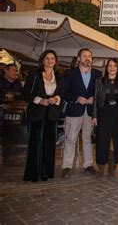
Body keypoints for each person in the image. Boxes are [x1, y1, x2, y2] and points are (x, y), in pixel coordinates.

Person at [22, 50, 63, 182]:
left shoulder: (59, 75)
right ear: (42, 60)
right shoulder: (34, 74)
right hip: (37, 114)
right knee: (36, 144)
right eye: (47, 58)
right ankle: (33, 173)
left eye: (52, 58)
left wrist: (56, 98)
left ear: (55, 61)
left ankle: (46, 172)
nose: (50, 60)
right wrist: (41, 100)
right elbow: (25, 94)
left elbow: (62, 93)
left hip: (52, 114)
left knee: (49, 145)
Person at [61, 48, 102, 178]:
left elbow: (101, 92)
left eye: (90, 56)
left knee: (87, 139)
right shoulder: (69, 73)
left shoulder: (98, 74)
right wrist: (76, 98)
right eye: (84, 56)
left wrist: (94, 99)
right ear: (78, 58)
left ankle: (88, 165)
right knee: (71, 139)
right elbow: (64, 92)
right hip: (74, 110)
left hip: (90, 112)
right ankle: (66, 166)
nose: (87, 58)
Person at [92, 58, 118, 177]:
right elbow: (96, 100)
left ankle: (113, 165)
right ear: (106, 68)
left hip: (117, 114)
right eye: (110, 66)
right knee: (102, 140)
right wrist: (94, 116)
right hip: (103, 113)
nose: (112, 68)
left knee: (115, 141)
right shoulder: (99, 81)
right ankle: (101, 166)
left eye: (115, 66)